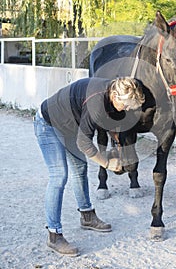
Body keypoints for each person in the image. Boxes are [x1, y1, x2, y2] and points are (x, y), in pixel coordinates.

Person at [33, 76, 145, 256]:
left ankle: (87, 216)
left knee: (80, 169)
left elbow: (110, 122)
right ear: (115, 96)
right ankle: (54, 235)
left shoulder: (112, 94)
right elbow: (84, 144)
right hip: (48, 124)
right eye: (126, 105)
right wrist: (107, 163)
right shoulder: (97, 103)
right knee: (59, 176)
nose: (127, 109)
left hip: (69, 126)